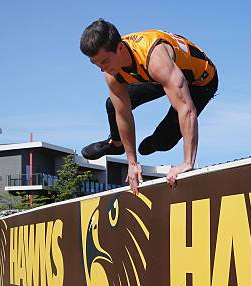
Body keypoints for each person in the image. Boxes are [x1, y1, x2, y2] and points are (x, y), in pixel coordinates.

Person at [79, 19, 218, 193]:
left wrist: (187, 163)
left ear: (120, 48)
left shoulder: (156, 59)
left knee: (165, 141)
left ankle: (157, 141)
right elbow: (123, 114)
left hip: (200, 81)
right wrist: (132, 163)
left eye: (105, 61)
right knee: (113, 105)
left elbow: (186, 109)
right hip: (156, 77)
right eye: (96, 63)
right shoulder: (111, 71)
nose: (102, 69)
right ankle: (116, 143)